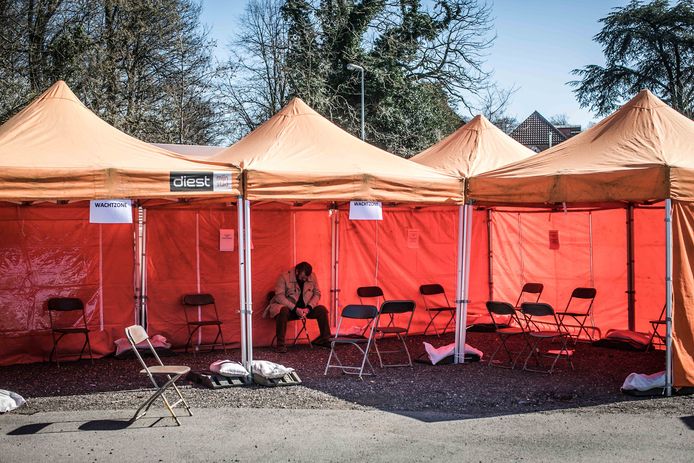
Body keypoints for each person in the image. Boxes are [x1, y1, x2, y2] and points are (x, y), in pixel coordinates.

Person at [263, 262, 332, 353]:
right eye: (303, 277)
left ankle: (325, 339)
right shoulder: (284, 277)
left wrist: (309, 308)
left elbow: (317, 294)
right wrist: (295, 309)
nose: (305, 279)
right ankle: (280, 345)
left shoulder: (312, 277)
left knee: (322, 310)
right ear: (296, 271)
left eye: (307, 277)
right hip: (289, 309)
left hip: (305, 309)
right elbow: (279, 296)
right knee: (282, 311)